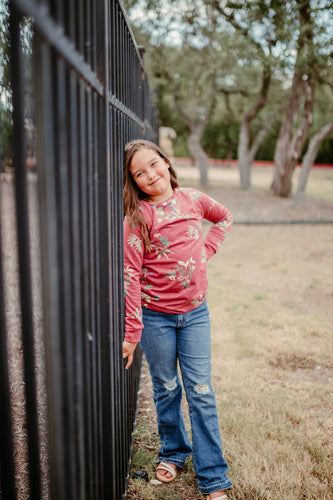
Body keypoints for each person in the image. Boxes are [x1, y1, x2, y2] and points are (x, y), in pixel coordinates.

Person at [122, 139, 233, 500]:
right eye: (140, 173)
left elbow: (224, 217)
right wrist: (133, 331)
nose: (151, 175)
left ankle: (214, 476)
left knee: (201, 391)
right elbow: (130, 277)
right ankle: (174, 451)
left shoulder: (193, 199)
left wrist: (206, 249)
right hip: (157, 320)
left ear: (167, 163)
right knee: (167, 388)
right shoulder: (138, 218)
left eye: (154, 165)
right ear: (134, 182)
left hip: (196, 315)